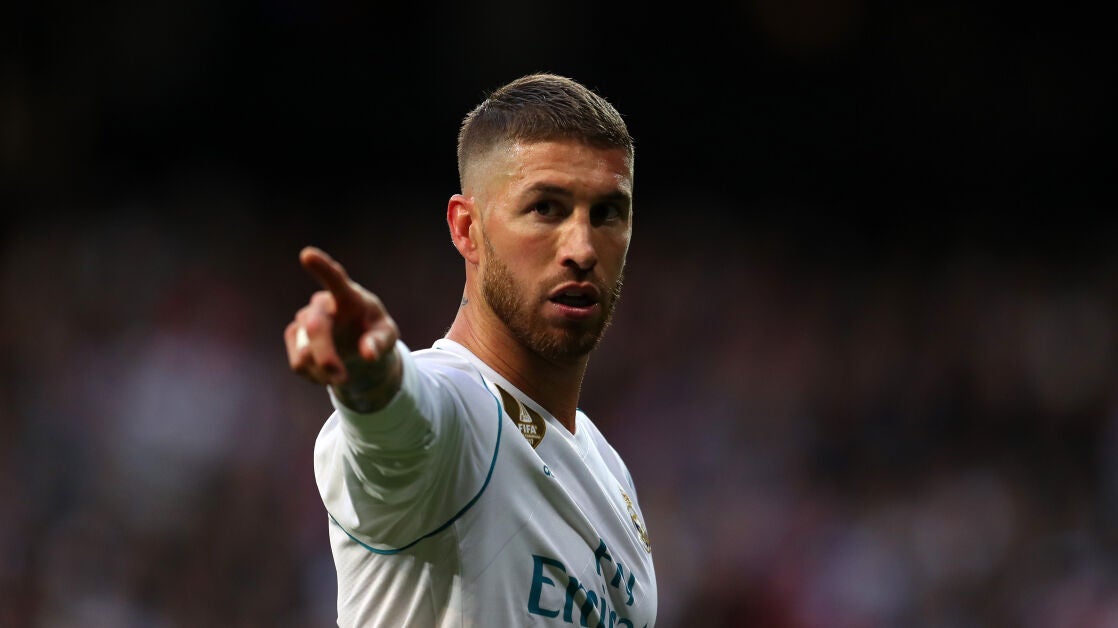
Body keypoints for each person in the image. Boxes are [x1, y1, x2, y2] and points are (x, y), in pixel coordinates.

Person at [284, 73, 656, 627]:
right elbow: (399, 433)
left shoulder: (609, 472)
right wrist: (371, 380)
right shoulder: (460, 415)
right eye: (546, 208)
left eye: (606, 213)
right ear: (466, 228)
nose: (582, 249)